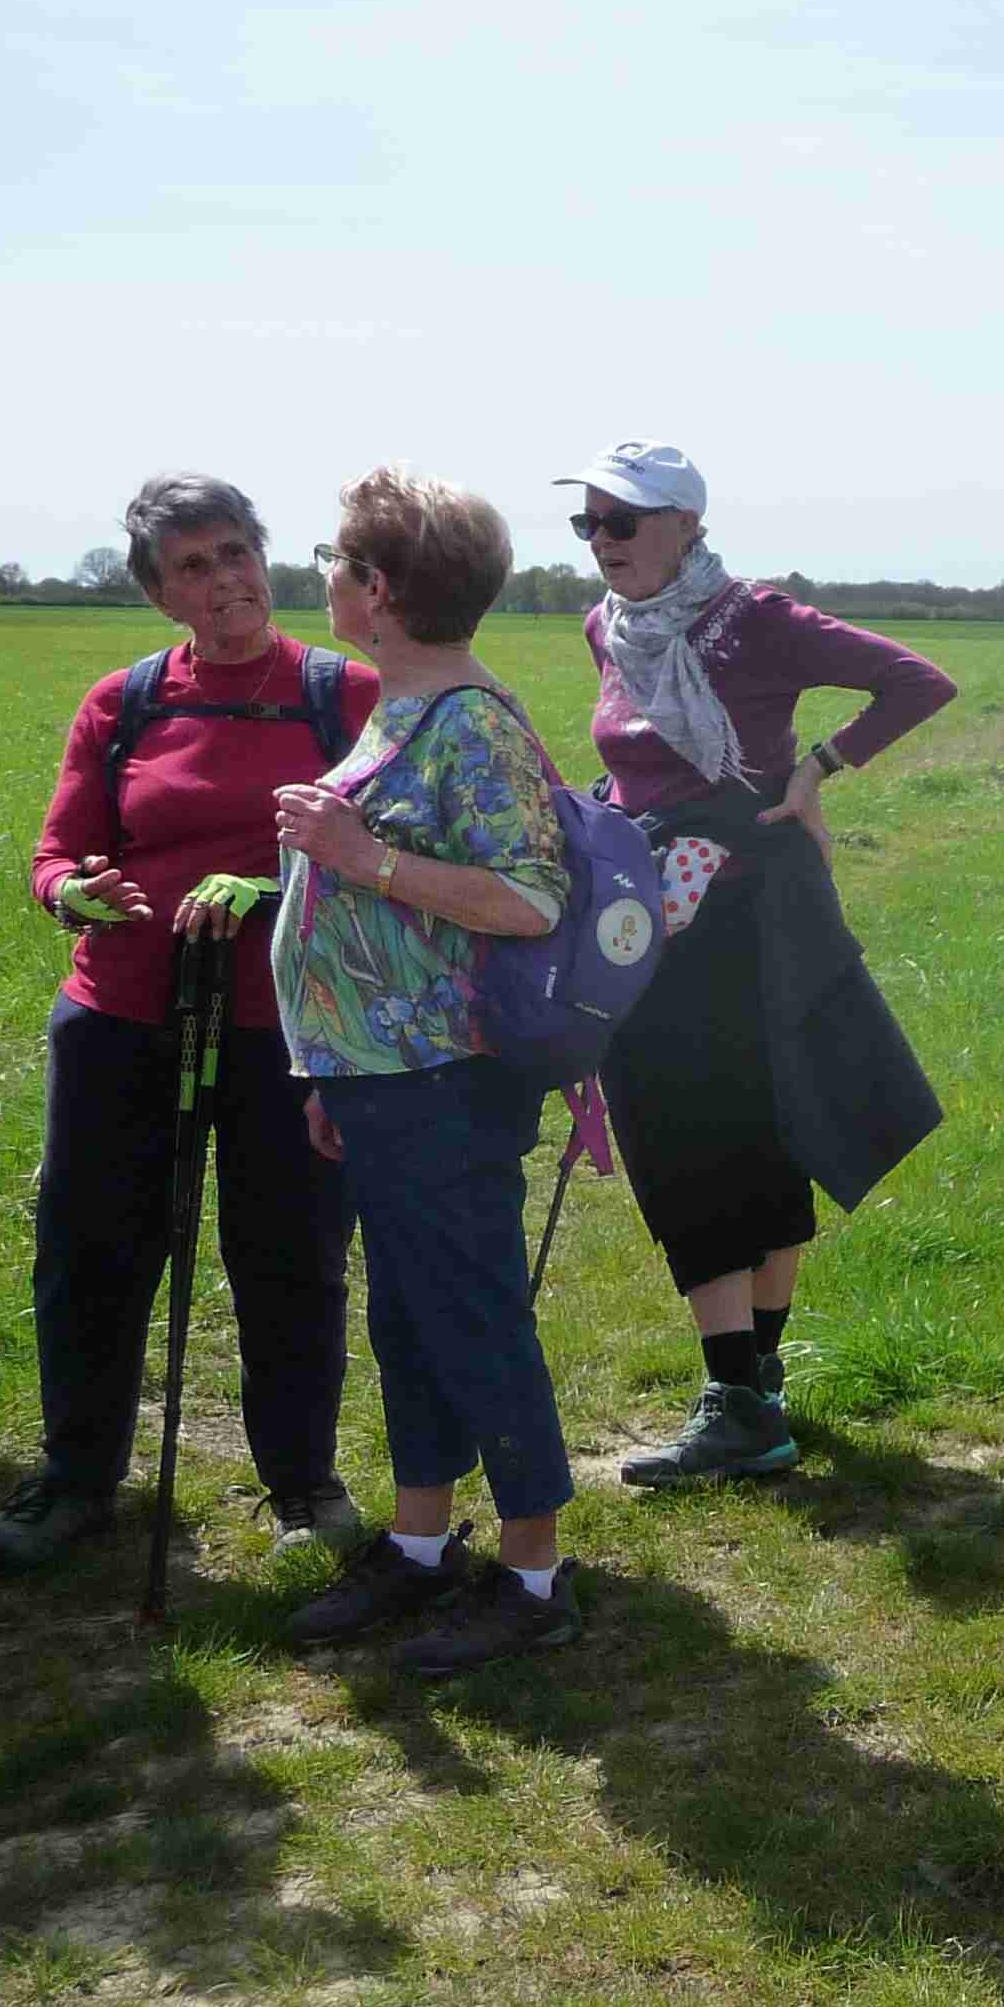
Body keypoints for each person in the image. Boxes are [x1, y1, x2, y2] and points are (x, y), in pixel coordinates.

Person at [0, 474, 381, 1576]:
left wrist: (282, 890)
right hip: (119, 1014)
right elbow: (57, 855)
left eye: (236, 552)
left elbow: (392, 858)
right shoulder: (127, 702)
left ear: (266, 558)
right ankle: (76, 1480)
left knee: (290, 1255)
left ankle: (304, 1483)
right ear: (161, 593)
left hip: (289, 1023)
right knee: (90, 1252)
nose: (225, 580)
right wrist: (74, 895)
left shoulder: (347, 695)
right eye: (193, 566)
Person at [567, 441, 955, 1490]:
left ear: (688, 523)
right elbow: (633, 765)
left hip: (754, 915)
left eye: (625, 520)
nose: (603, 542)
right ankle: (754, 1392)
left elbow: (916, 681)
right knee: (695, 1137)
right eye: (588, 522)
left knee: (730, 1137)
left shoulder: (758, 619)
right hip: (656, 914)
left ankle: (745, 1400)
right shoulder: (607, 627)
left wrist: (816, 769)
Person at [267, 468, 585, 1675]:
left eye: (342, 561)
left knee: (475, 1319)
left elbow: (528, 898)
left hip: (448, 1081)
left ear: (382, 589)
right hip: (379, 1078)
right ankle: (415, 1548)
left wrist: (360, 855)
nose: (328, 576)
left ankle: (536, 1573)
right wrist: (329, 1067)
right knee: (408, 1320)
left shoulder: (472, 723)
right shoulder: (401, 706)